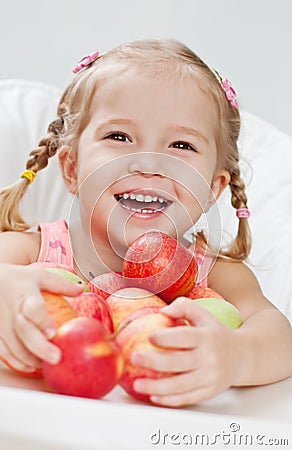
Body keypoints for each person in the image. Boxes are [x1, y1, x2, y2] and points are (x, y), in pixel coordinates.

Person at [0, 39, 291, 407]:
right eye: (119, 137)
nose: (150, 164)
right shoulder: (30, 255)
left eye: (181, 146)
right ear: (72, 169)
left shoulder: (213, 275)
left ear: (213, 189)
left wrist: (236, 356)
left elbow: (279, 337)